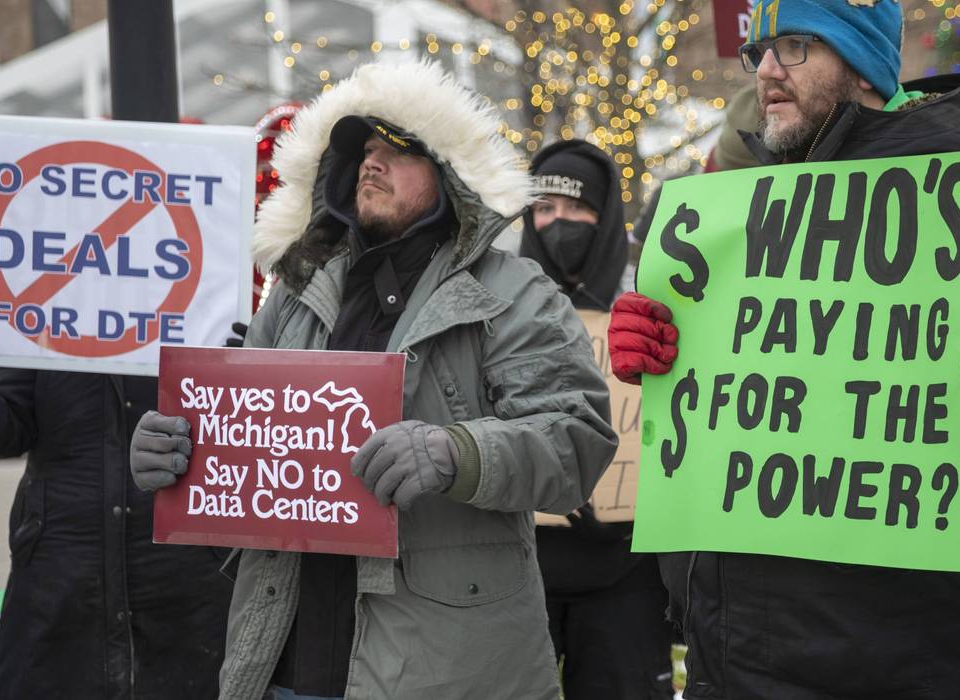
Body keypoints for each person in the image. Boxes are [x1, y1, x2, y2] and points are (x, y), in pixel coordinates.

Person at [607, 1, 960, 697]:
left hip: (907, 659)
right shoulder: (734, 211)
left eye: (796, 46)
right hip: (734, 653)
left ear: (863, 63)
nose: (767, 72)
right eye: (759, 52)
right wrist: (661, 357)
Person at [129, 61, 618, 700]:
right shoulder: (294, 292)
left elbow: (575, 441)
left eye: (397, 148)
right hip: (283, 666)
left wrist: (457, 453)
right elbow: (248, 452)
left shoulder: (512, 292)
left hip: (445, 671)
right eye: (364, 150)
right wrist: (178, 455)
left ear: (447, 172)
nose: (371, 163)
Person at [0, 312, 233, 699]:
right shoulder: (55, 314)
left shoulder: (211, 311)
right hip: (60, 582)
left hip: (186, 582)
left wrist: (250, 372)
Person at [520, 140, 673, 699]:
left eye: (575, 208)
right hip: (521, 569)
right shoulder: (499, 304)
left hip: (626, 573)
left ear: (605, 212)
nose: (558, 222)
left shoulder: (653, 295)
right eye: (543, 210)